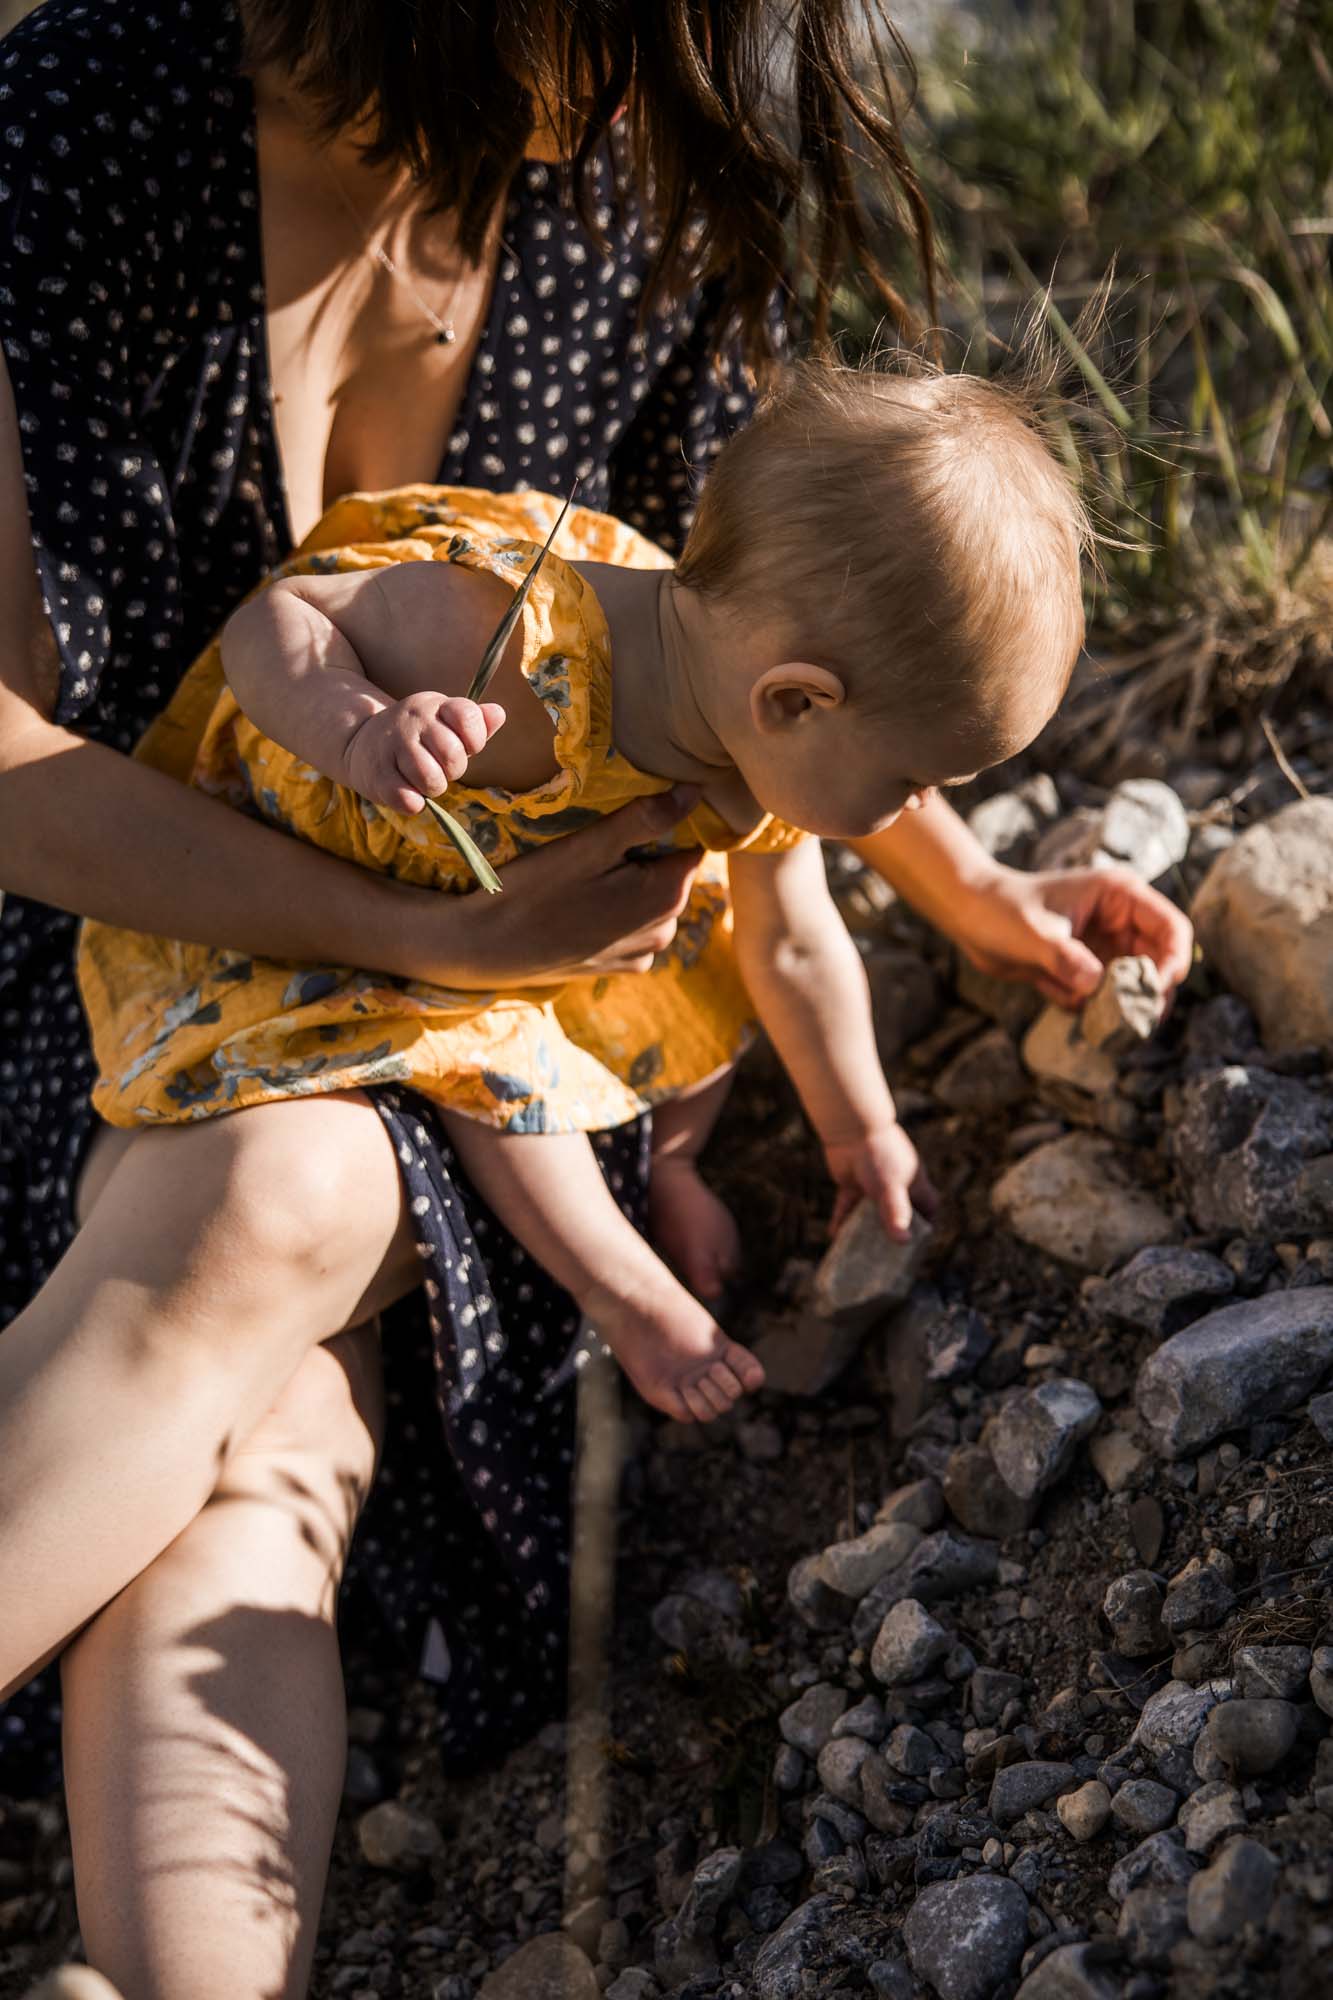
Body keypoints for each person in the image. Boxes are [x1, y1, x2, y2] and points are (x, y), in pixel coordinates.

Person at [0, 3, 1192, 1996]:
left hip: (463, 1054)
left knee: (284, 1377)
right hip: (101, 955)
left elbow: (743, 638)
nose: (686, 58)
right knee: (270, 1355)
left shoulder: (632, 166)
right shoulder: (77, 129)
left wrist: (965, 883)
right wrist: (436, 947)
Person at [75, 358, 1089, 1441]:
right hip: (323, 906)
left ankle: (676, 1157)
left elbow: (796, 947)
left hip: (538, 919)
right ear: (793, 698)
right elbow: (275, 620)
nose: (921, 810)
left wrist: (861, 1127)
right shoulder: (505, 649)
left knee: (716, 958)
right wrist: (354, 723)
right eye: (912, 779)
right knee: (488, 1066)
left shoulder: (757, 765)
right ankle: (624, 1289)